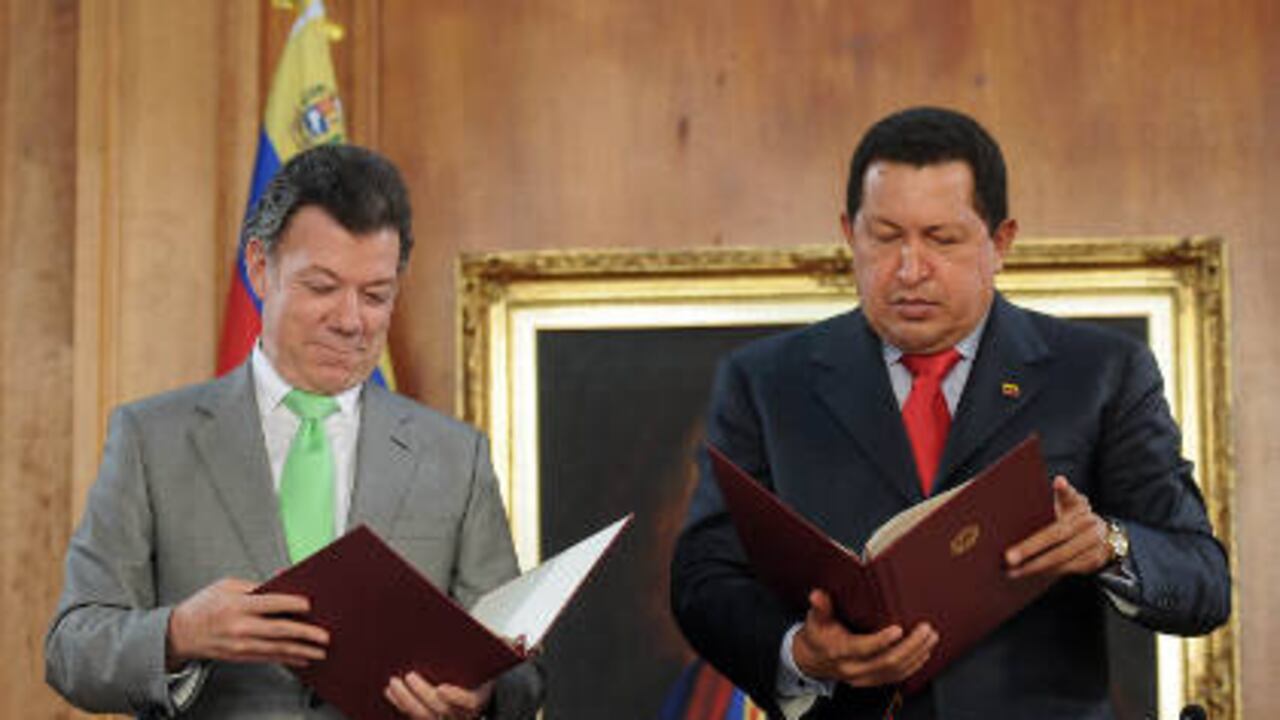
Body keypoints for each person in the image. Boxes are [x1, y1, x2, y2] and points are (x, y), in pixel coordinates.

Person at [670, 107, 1230, 719]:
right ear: (849, 234)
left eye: (942, 239)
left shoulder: (1101, 373)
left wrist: (1110, 545)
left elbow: (1202, 580)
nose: (910, 270)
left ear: (1000, 242)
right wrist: (800, 654)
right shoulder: (764, 382)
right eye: (885, 237)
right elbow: (703, 580)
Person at [46, 145, 543, 719]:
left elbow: (519, 670)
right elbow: (71, 650)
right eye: (322, 287)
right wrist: (180, 632)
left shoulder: (457, 456)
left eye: (375, 295)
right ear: (260, 268)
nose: (351, 321)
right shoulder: (150, 439)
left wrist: (482, 695)